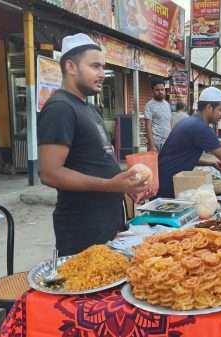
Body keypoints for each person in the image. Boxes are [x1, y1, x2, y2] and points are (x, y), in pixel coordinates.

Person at [37, 33, 150, 256]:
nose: (102, 74)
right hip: (82, 229)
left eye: (103, 67)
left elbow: (95, 160)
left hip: (106, 223)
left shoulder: (88, 108)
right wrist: (110, 185)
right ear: (70, 66)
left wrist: (127, 183)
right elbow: (50, 173)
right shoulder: (60, 108)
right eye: (95, 66)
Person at [144, 78, 172, 152]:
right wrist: (151, 145)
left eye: (162, 89)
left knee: (167, 163)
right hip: (155, 143)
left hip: (167, 142)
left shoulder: (167, 105)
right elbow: (148, 126)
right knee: (155, 164)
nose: (160, 92)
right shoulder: (149, 105)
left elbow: (169, 123)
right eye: (157, 90)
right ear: (152, 90)